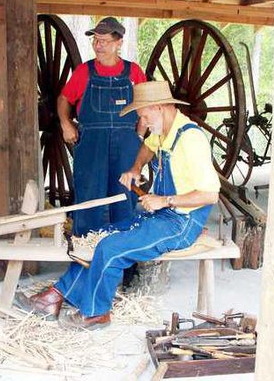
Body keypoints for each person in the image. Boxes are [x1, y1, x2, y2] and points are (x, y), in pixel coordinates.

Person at [16, 81, 221, 329]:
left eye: (144, 114)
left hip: (182, 222)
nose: (142, 121)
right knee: (101, 235)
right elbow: (147, 147)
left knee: (112, 248)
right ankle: (55, 296)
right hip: (163, 215)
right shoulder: (163, 131)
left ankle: (96, 313)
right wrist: (136, 168)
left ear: (159, 107)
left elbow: (210, 194)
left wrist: (164, 200)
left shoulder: (190, 139)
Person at [57, 16, 147, 236]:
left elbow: (145, 107)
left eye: (104, 41)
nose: (98, 46)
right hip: (91, 144)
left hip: (126, 144)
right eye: (96, 40)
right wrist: (65, 123)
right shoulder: (84, 72)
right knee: (89, 198)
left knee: (125, 198)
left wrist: (139, 137)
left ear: (119, 43)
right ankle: (85, 255)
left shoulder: (134, 72)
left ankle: (124, 262)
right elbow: (64, 99)